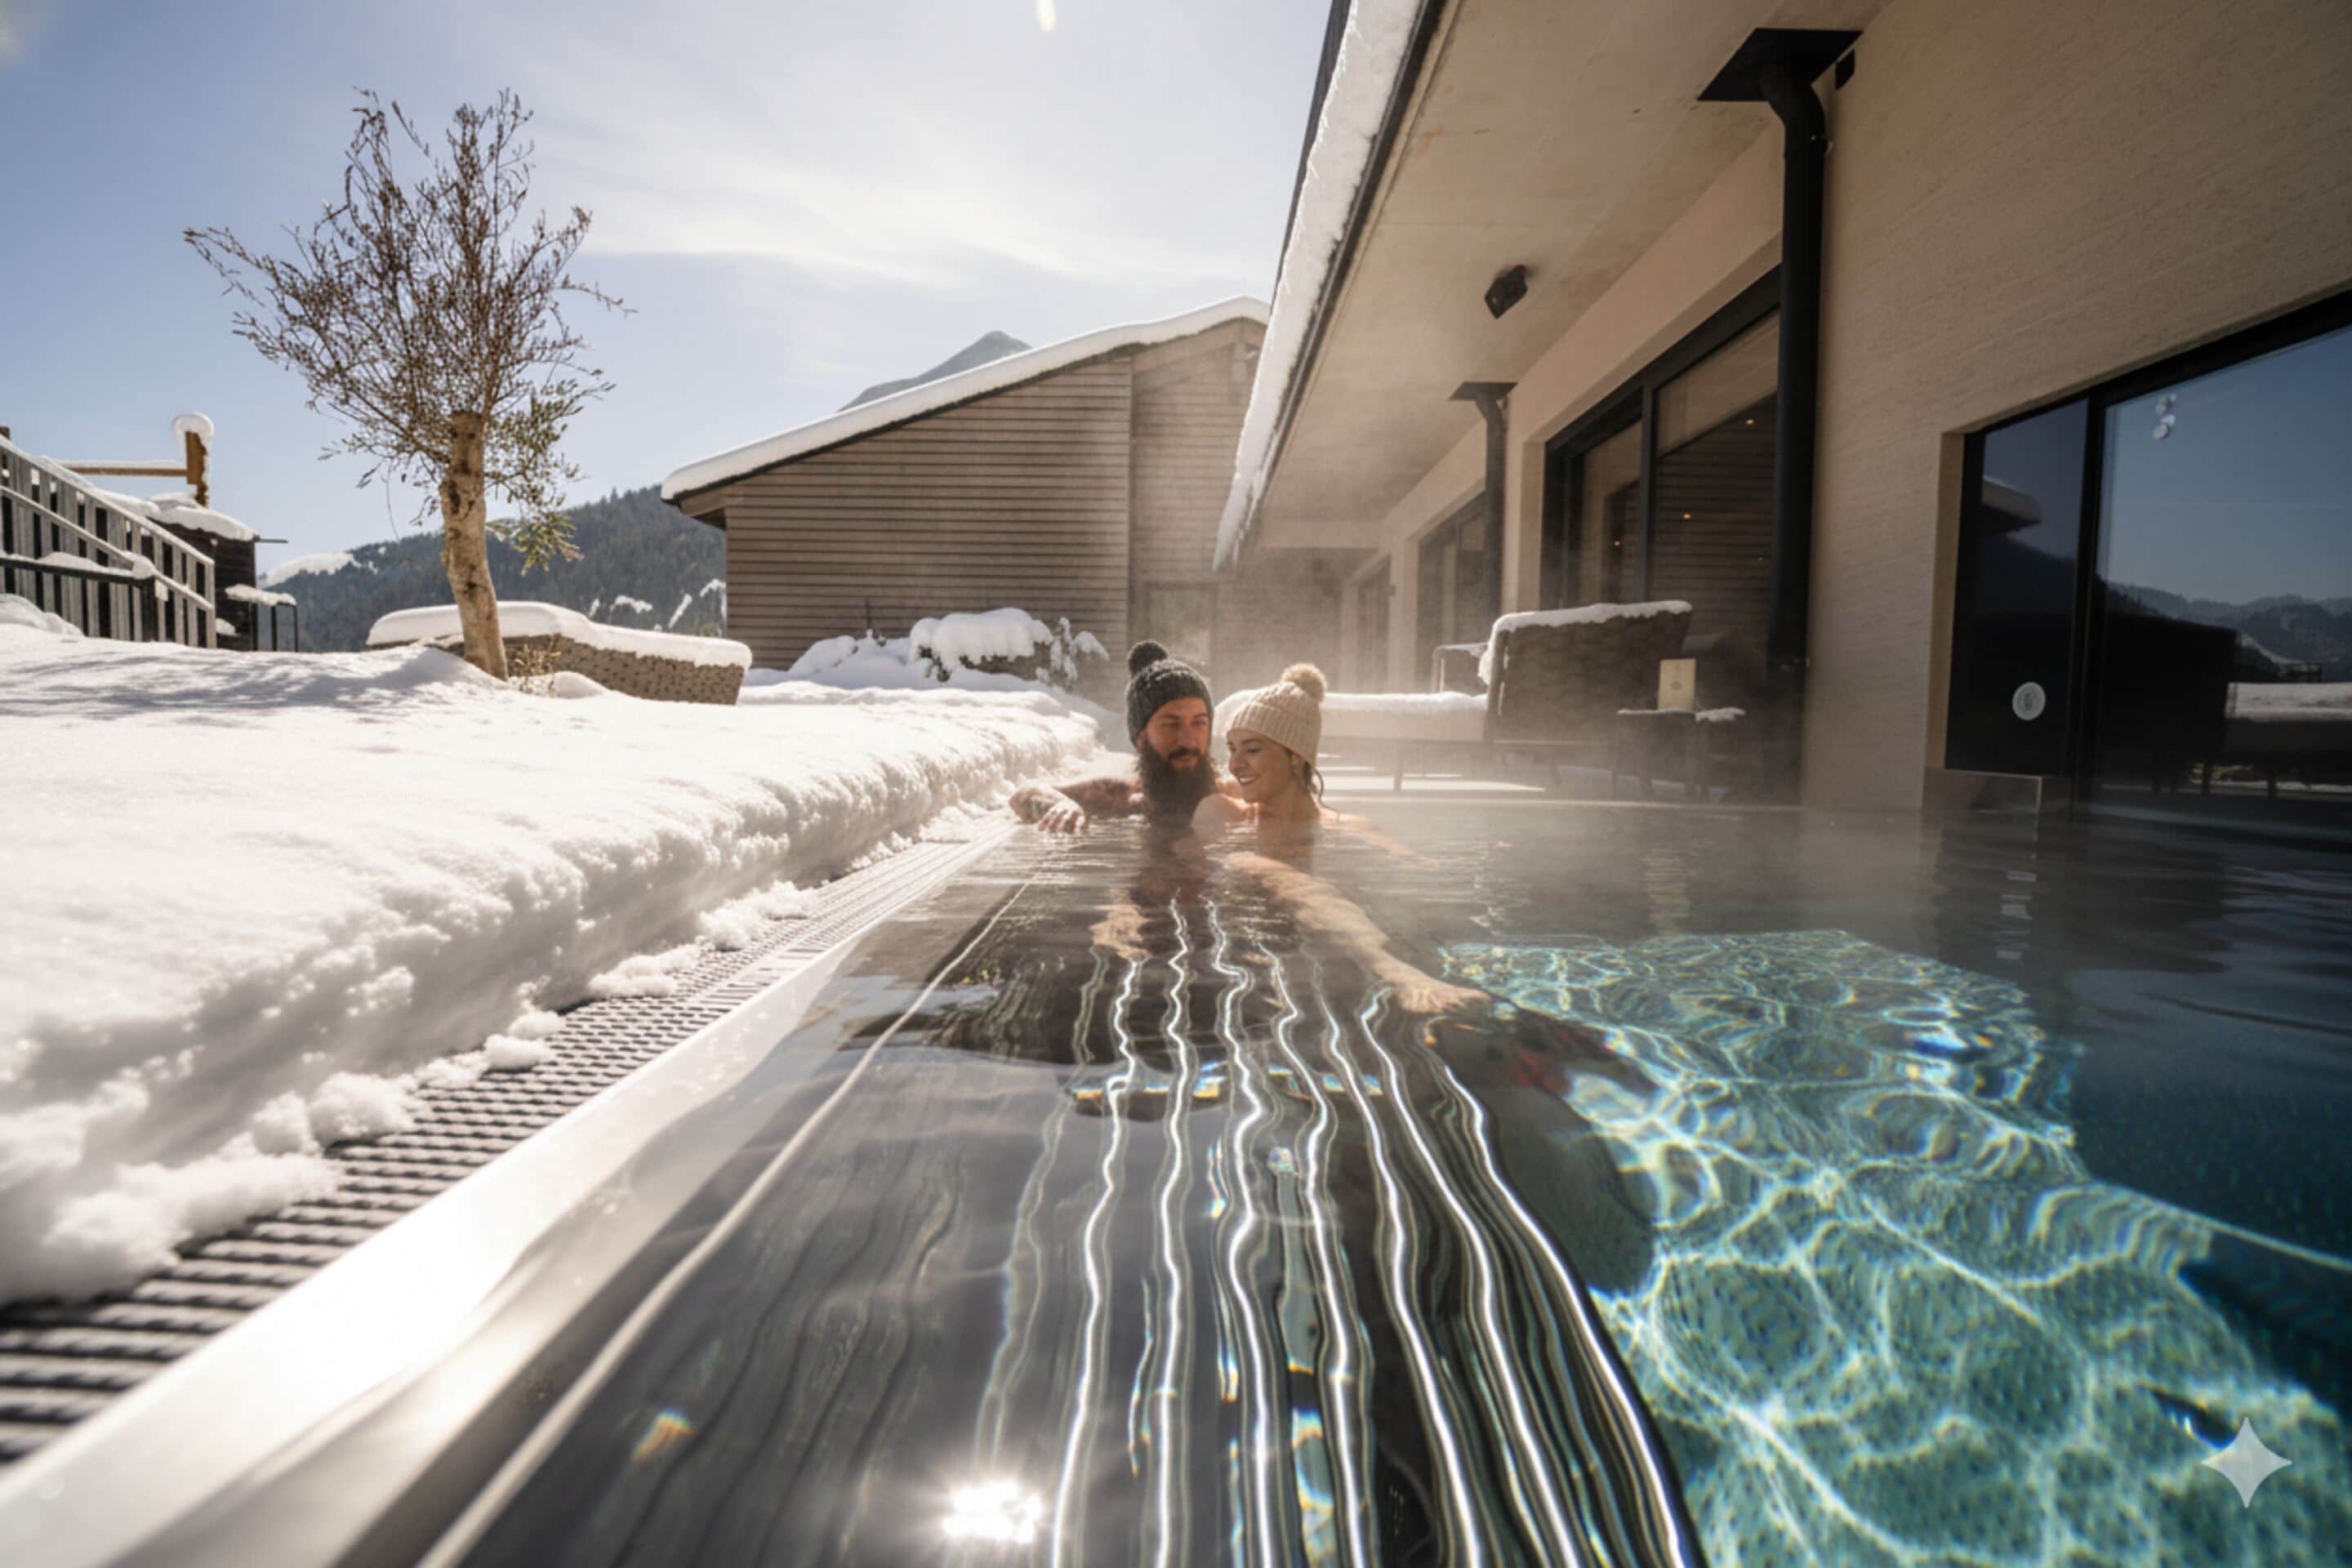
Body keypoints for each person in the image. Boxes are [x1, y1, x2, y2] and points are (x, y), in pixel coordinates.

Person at [1011, 640, 1223, 832]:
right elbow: (1024, 795)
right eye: (1170, 725)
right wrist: (1061, 804)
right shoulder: (1118, 797)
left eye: (1199, 723)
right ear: (1141, 738)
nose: (1187, 740)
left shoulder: (1231, 794)